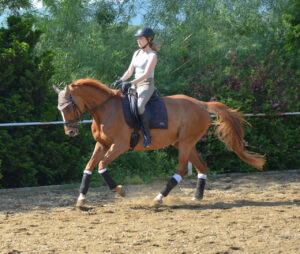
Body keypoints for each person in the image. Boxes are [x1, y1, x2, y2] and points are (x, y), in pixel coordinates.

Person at [112, 27, 160, 148]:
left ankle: (147, 135)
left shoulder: (152, 55)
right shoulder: (137, 53)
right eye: (138, 38)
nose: (138, 41)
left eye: (141, 38)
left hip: (146, 84)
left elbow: (146, 75)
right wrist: (121, 80)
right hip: (135, 84)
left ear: (149, 39)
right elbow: (130, 70)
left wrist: (131, 83)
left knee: (139, 106)